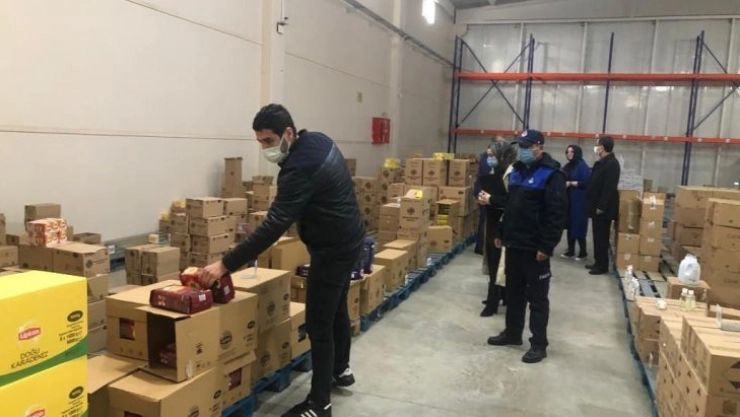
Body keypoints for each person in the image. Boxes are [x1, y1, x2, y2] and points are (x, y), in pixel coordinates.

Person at [200, 104, 365, 417]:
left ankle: (319, 404)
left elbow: (273, 225)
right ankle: (341, 369)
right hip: (350, 236)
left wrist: (225, 265)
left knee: (318, 323)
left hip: (332, 250)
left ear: (288, 133)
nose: (265, 148)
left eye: (269, 141)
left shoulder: (297, 170)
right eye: (260, 142)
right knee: (336, 308)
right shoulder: (318, 140)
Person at [487, 129, 567, 364]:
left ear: (538, 147)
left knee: (537, 299)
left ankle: (538, 344)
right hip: (514, 243)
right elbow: (510, 206)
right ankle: (512, 333)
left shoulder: (552, 175)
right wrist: (501, 232)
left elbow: (556, 215)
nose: (522, 150)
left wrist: (547, 246)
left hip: (535, 248)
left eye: (526, 146)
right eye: (520, 146)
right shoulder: (517, 171)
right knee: (514, 293)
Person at [477, 140, 517, 317]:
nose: (489, 159)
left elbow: (513, 201)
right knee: (494, 262)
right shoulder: (494, 172)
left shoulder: (511, 175)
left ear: (502, 156)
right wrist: (484, 199)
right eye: (488, 156)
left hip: (503, 225)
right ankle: (498, 295)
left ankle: (494, 302)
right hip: (492, 221)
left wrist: (491, 199)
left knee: (499, 262)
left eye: (492, 156)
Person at [585, 136, 620, 276]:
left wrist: (601, 206)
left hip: (603, 209)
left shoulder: (612, 164)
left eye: (597, 145)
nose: (595, 147)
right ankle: (597, 261)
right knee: (596, 236)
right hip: (596, 206)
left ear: (603, 147)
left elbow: (609, 188)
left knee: (602, 238)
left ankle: (602, 266)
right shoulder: (601, 162)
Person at [560, 145, 591, 261]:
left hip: (579, 200)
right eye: (567, 152)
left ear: (577, 153)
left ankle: (583, 252)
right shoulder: (568, 166)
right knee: (570, 224)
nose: (569, 154)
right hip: (569, 200)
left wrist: (571, 183)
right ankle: (571, 250)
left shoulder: (582, 166)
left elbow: (586, 182)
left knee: (579, 225)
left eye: (572, 152)